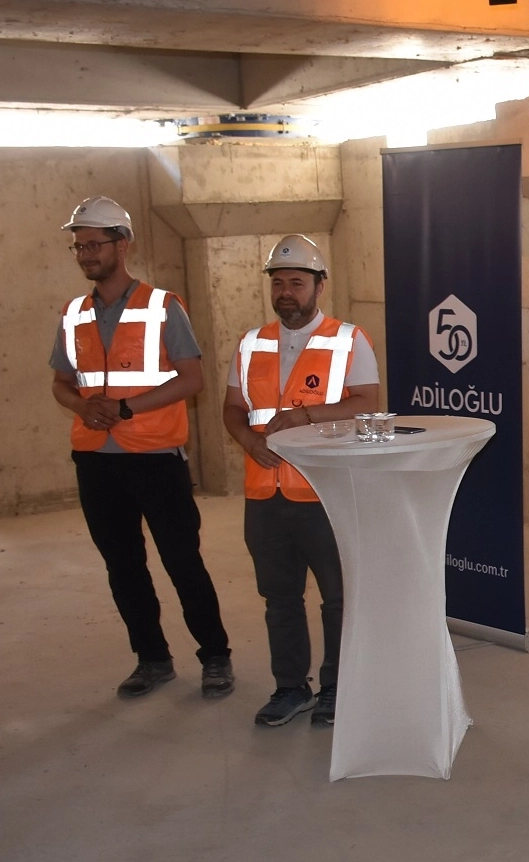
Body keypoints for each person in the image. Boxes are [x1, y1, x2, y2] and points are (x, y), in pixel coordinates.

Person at [50, 196, 234, 699]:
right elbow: (61, 382)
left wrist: (125, 408)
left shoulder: (162, 306)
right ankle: (152, 659)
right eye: (79, 246)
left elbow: (192, 379)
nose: (86, 254)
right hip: (95, 460)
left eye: (94, 244)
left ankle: (215, 656)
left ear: (122, 244)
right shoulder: (73, 313)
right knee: (123, 566)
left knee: (182, 562)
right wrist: (82, 406)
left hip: (155, 459)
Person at [222, 235, 379, 727]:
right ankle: (291, 688)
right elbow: (233, 408)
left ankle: (336, 688)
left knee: (338, 598)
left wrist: (303, 416)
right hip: (264, 492)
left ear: (319, 287)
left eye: (296, 283)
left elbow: (367, 402)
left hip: (326, 493)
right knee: (280, 599)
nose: (286, 292)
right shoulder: (251, 343)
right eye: (278, 283)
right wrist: (249, 442)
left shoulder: (349, 340)